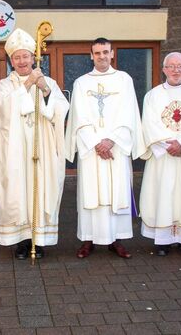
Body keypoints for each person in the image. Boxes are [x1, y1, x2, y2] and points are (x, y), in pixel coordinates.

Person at [65, 37, 145, 259]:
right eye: (97, 52)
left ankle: (116, 240)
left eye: (105, 52)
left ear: (112, 54)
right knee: (91, 194)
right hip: (92, 150)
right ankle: (89, 240)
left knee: (116, 193)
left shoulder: (124, 80)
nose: (101, 56)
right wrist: (96, 143)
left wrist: (111, 141)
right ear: (91, 55)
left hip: (116, 148)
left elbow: (129, 113)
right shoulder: (81, 83)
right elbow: (78, 116)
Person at [0, 28, 69, 260]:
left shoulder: (48, 81)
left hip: (42, 147)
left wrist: (44, 87)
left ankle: (40, 238)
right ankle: (22, 241)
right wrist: (27, 85)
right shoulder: (5, 84)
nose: (22, 61)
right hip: (17, 149)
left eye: (26, 56)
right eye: (17, 57)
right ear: (11, 61)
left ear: (33, 57)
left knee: (41, 187)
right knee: (18, 191)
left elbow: (60, 108)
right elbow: (3, 107)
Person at [139, 52, 181, 256]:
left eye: (180, 66)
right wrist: (168, 146)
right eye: (171, 66)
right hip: (164, 156)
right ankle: (162, 240)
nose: (176, 70)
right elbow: (148, 124)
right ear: (164, 69)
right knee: (163, 194)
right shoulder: (153, 95)